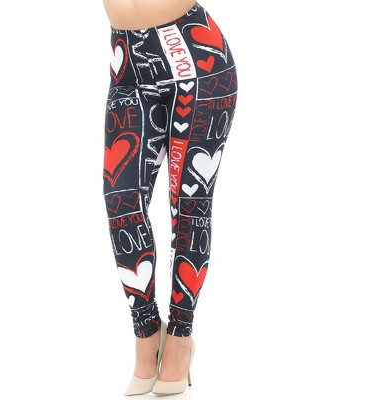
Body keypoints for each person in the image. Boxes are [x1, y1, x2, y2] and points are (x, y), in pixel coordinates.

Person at [102, 0, 238, 395]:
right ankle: (146, 334)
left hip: (196, 59)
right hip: (127, 64)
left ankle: (180, 339)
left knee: (189, 206)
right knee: (121, 202)